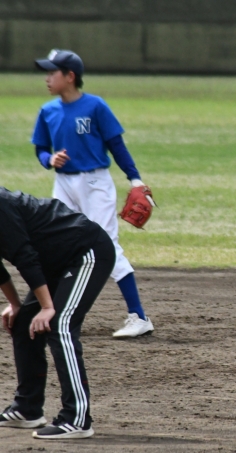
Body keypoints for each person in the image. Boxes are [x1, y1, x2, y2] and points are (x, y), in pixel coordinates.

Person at [31, 49, 154, 338]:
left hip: (95, 184)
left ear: (70, 76)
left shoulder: (95, 106)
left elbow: (116, 145)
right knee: (57, 244)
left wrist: (135, 179)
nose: (47, 78)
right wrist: (49, 159)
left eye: (53, 72)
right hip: (63, 184)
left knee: (107, 245)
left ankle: (139, 317)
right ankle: (53, 312)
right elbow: (40, 149)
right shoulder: (48, 111)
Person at [0, 187, 116, 439]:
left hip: (86, 252)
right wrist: (16, 304)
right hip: (55, 261)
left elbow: (24, 256)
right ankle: (27, 408)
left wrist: (46, 307)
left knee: (61, 325)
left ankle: (77, 419)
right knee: (23, 324)